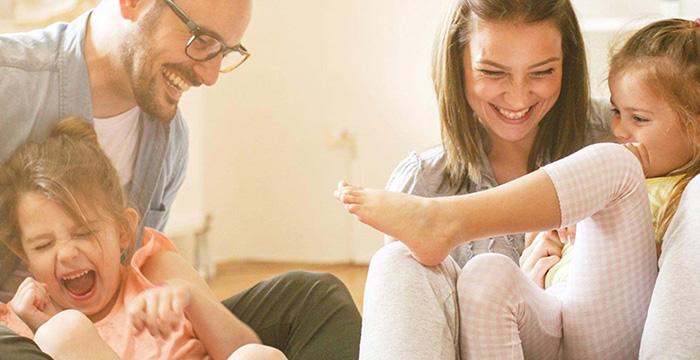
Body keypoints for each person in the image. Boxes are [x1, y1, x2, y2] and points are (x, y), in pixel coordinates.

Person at [0, 1, 361, 359]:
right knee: (58, 334)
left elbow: (136, 293)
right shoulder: (9, 82)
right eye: (200, 39)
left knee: (312, 296)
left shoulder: (170, 140)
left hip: (124, 335)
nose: (211, 75)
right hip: (22, 332)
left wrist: (188, 302)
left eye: (225, 51)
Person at [336, 18, 700, 359]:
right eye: (493, 72)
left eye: (542, 71)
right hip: (554, 310)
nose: (619, 129)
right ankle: (443, 225)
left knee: (616, 164)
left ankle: (445, 221)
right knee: (486, 273)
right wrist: (541, 268)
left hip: (615, 332)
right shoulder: (423, 177)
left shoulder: (678, 189)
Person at [0, 117, 287, 360]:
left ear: (123, 230)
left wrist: (192, 300)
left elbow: (242, 346)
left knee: (259, 356)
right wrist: (39, 327)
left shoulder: (157, 280)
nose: (65, 254)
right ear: (22, 252)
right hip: (60, 337)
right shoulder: (21, 322)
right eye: (43, 245)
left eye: (84, 233)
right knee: (64, 332)